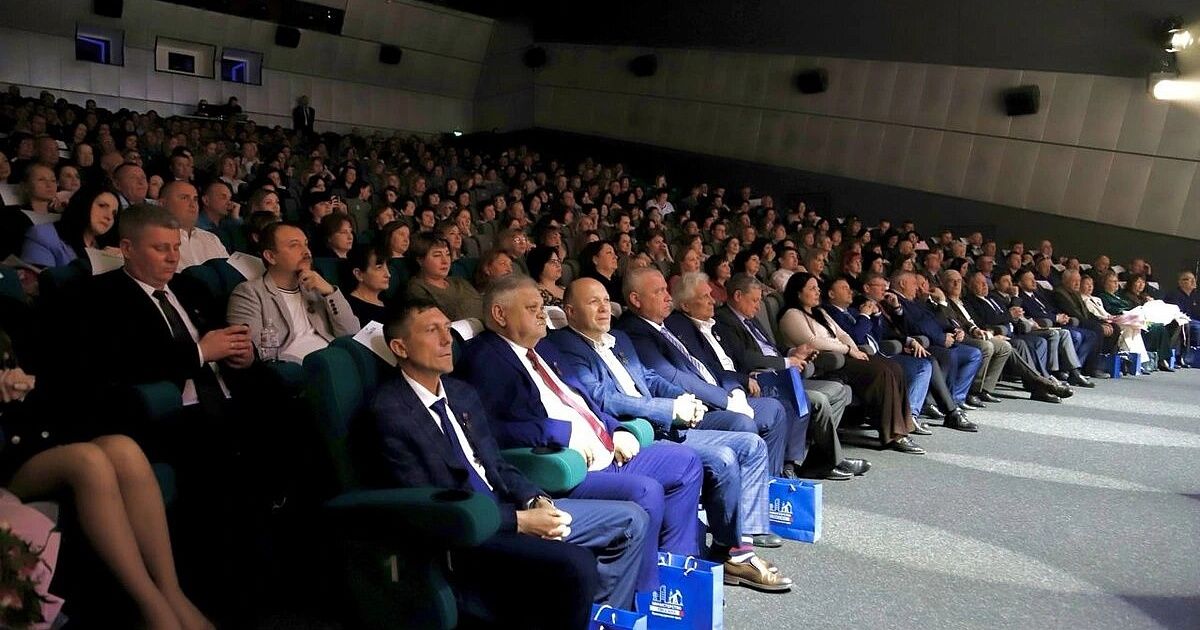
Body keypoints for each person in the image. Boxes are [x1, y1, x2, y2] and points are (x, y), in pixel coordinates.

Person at [368, 298, 648, 623]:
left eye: (447, 328)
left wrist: (535, 499)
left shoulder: (460, 393)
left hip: (511, 507)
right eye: (432, 331)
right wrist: (519, 522)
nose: (447, 340)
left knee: (631, 521)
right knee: (576, 565)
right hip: (471, 531)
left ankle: (598, 620)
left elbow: (497, 464)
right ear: (400, 347)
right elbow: (432, 502)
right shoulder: (390, 412)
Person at [453, 275, 704, 596]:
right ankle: (644, 595)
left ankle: (676, 574)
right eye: (532, 308)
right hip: (568, 464)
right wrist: (563, 435)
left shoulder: (544, 347)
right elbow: (491, 429)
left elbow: (584, 400)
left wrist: (616, 429)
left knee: (685, 463)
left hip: (605, 447)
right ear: (500, 315)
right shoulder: (485, 358)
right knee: (646, 492)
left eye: (542, 306)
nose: (542, 314)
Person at [548, 278, 793, 590]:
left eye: (606, 300)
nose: (604, 308)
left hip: (663, 423)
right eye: (593, 302)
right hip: (633, 432)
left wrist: (683, 399)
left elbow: (650, 377)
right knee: (723, 458)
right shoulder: (565, 345)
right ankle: (734, 554)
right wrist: (668, 409)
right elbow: (602, 398)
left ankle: (738, 546)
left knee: (751, 445)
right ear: (570, 311)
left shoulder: (619, 338)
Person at [0, 328, 215, 630]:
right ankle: (153, 608)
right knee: (87, 461)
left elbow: (65, 378)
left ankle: (171, 592)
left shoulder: (17, 321)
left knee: (123, 450)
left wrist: (30, 385)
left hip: (41, 437)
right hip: (8, 460)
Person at [617, 268, 794, 475]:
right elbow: (671, 376)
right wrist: (726, 401)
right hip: (693, 408)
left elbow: (709, 365)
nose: (668, 297)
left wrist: (734, 389)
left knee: (774, 409)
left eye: (666, 289)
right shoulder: (634, 330)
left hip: (717, 394)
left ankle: (769, 481)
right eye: (658, 292)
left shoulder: (664, 326)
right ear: (636, 300)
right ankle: (749, 490)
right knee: (742, 423)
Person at [704, 273, 863, 479]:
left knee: (838, 392)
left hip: (782, 372)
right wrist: (787, 362)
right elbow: (746, 358)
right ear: (737, 296)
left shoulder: (750, 319)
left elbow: (770, 348)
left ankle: (822, 460)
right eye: (754, 300)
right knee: (817, 400)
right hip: (763, 378)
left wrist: (794, 352)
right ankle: (803, 463)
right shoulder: (724, 320)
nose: (758, 306)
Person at [779, 273, 929, 452]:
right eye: (812, 288)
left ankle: (903, 426)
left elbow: (842, 334)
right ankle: (894, 434)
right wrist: (848, 350)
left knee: (894, 367)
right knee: (881, 372)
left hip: (843, 355)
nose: (818, 291)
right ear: (798, 293)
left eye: (818, 288)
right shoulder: (791, 314)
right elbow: (813, 342)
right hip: (826, 362)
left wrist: (854, 349)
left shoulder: (820, 312)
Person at [226, 223, 359, 363]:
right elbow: (258, 355)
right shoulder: (249, 293)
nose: (306, 251)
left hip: (335, 358)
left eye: (306, 244)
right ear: (270, 256)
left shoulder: (315, 286)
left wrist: (330, 292)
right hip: (296, 368)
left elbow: (351, 332)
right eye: (294, 245)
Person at [21, 184, 119, 268]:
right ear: (83, 203)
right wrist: (98, 262)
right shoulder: (42, 236)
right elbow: (40, 282)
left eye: (114, 214)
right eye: (102, 206)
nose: (109, 217)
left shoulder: (108, 247)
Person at [407, 232, 484, 321]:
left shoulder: (459, 281)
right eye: (437, 255)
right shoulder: (417, 288)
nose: (445, 261)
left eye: (447, 254)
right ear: (420, 260)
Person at [159, 180, 227, 269]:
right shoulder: (153, 239)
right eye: (184, 198)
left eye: (195, 199)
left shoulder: (212, 239)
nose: (193, 204)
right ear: (162, 204)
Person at [346, 243, 391, 327]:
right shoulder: (349, 308)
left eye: (387, 267)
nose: (388, 274)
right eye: (379, 267)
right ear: (359, 274)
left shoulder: (390, 303)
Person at [1164, 271, 1200, 353]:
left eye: (1194, 279)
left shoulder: (1196, 295)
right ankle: (1193, 355)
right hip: (1180, 323)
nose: (1193, 281)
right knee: (1197, 327)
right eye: (1188, 279)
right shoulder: (1173, 295)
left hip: (1195, 322)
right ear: (1180, 282)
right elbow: (1176, 315)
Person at [578, 240, 623, 305]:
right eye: (609, 252)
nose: (615, 257)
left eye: (614, 253)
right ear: (595, 260)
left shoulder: (619, 281)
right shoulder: (591, 285)